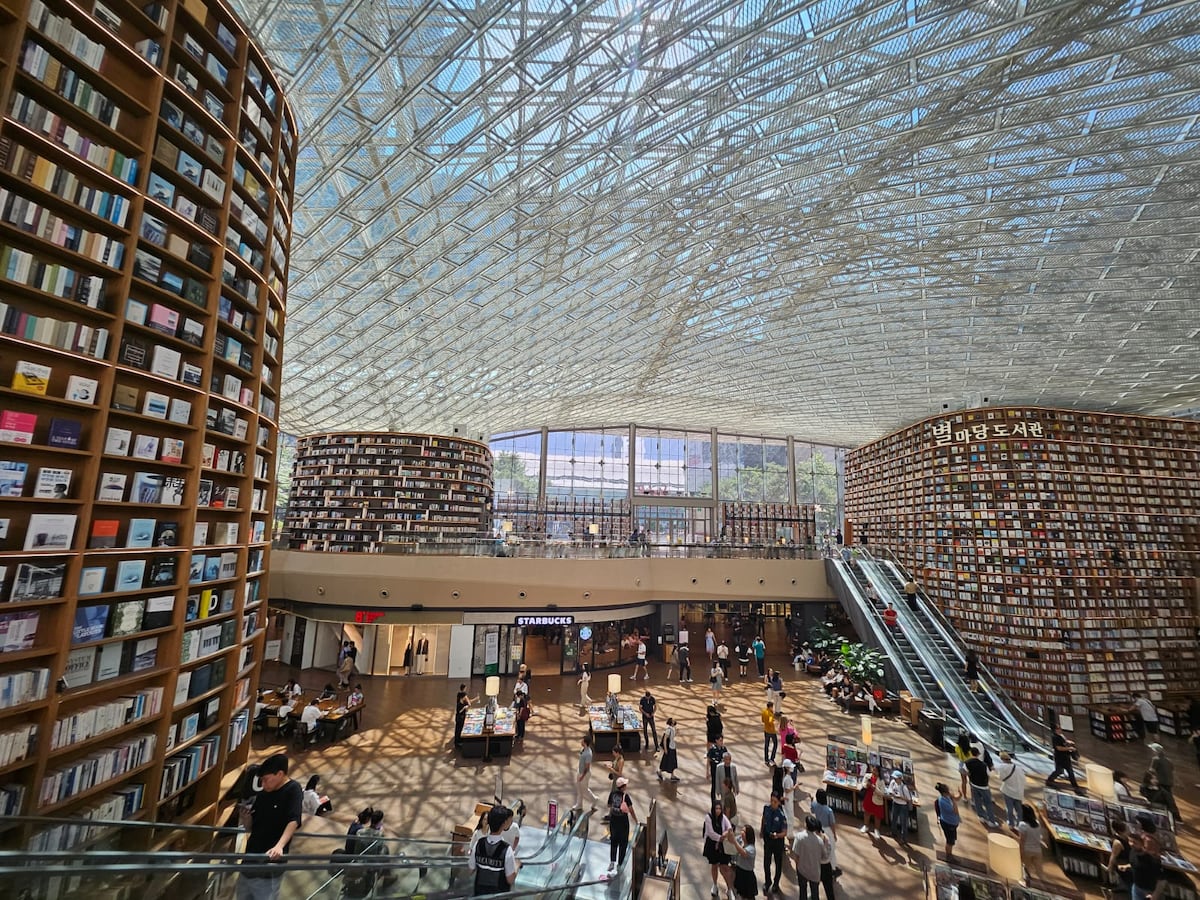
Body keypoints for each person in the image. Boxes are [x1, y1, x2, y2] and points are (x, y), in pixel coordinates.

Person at [237, 753, 302, 900]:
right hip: (249, 861)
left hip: (269, 866)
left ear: (280, 774)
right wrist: (246, 818)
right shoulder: (264, 794)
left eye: (266, 780)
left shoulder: (293, 790)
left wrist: (279, 846)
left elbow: (294, 820)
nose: (263, 784)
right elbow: (253, 827)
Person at [469, 805, 519, 895]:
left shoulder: (479, 844)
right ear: (503, 824)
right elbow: (510, 879)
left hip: (479, 894)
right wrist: (517, 866)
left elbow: (471, 869)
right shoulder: (506, 850)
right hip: (498, 895)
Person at [606, 776, 637, 875]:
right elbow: (631, 810)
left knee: (614, 840)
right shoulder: (625, 796)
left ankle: (612, 861)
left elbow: (609, 805)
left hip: (613, 820)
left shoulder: (612, 794)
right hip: (623, 821)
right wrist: (636, 820)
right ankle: (620, 864)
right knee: (623, 842)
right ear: (623, 787)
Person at [703, 799, 735, 898]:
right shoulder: (708, 818)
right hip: (712, 846)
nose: (718, 810)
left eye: (719, 809)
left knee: (725, 867)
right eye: (716, 808)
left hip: (721, 846)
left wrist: (724, 834)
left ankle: (729, 889)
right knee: (714, 865)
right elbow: (711, 833)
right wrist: (721, 837)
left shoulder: (723, 817)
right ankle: (715, 885)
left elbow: (729, 827)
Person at [961, 747, 998, 828]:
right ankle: (991, 821)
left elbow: (964, 772)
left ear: (971, 753)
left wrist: (970, 775)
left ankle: (981, 816)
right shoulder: (984, 765)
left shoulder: (967, 762)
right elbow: (990, 774)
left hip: (974, 785)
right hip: (984, 786)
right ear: (978, 754)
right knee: (988, 803)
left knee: (977, 801)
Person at [1144, 742, 1181, 820]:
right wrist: (1179, 782)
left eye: (1152, 750)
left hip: (1161, 783)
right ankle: (1176, 817)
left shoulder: (1155, 759)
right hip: (1169, 783)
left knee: (1158, 799)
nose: (1151, 751)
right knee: (1170, 799)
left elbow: (1151, 771)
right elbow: (1173, 772)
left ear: (1155, 751)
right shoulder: (1168, 760)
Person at [791, 815, 824, 900]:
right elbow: (823, 856)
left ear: (806, 825)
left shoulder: (799, 837)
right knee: (815, 893)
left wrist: (798, 867)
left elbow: (796, 855)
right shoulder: (819, 841)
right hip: (815, 872)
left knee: (802, 892)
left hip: (802, 870)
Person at [760, 792, 788, 896]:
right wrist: (761, 830)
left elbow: (785, 832)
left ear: (779, 802)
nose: (772, 803)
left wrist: (777, 835)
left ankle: (776, 883)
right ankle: (768, 882)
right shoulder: (766, 808)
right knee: (766, 861)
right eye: (771, 800)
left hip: (777, 841)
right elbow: (763, 818)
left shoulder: (781, 815)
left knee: (778, 863)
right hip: (768, 838)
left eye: (775, 802)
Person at [810, 789, 839, 876]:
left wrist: (811, 800)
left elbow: (812, 810)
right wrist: (834, 834)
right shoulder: (828, 810)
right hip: (827, 830)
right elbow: (832, 824)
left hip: (818, 829)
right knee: (831, 850)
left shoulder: (815, 804)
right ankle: (833, 868)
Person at [1129, 830, 1163, 900]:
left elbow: (1162, 879)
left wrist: (1155, 895)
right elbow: (1135, 864)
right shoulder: (1133, 851)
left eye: (1135, 842)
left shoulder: (1152, 859)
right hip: (1136, 887)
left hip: (1149, 891)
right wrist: (1126, 866)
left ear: (1142, 844)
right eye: (1130, 841)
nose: (1131, 844)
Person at [1046, 724, 1081, 791]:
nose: (1060, 729)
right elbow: (1059, 748)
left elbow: (1064, 741)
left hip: (1066, 757)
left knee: (1068, 771)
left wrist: (1070, 742)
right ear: (1055, 730)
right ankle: (1050, 780)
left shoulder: (1061, 735)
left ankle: (1075, 785)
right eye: (1058, 728)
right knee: (1059, 771)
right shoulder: (1055, 737)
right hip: (1060, 758)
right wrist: (1069, 748)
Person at [996, 751, 1026, 829]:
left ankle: (1011, 823)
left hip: (1008, 791)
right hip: (1018, 791)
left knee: (1009, 808)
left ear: (1002, 759)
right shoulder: (1018, 768)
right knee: (1019, 809)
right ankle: (1020, 824)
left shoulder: (1002, 767)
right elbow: (1023, 780)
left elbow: (1001, 778)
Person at [729, 824, 758, 899]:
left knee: (748, 896)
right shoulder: (740, 840)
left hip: (747, 876)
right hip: (739, 872)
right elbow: (731, 840)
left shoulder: (751, 848)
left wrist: (735, 842)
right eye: (742, 830)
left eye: (744, 832)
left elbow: (743, 853)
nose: (742, 833)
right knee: (740, 893)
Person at [934, 782, 961, 860]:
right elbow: (955, 811)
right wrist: (954, 802)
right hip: (948, 824)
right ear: (944, 793)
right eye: (948, 791)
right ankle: (948, 855)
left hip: (953, 823)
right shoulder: (942, 801)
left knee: (952, 840)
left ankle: (949, 854)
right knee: (950, 842)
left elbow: (956, 798)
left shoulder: (947, 796)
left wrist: (960, 794)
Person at [1017, 803, 1043, 882]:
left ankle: (1027, 885)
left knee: (1026, 870)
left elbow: (1022, 840)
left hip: (1027, 850)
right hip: (1038, 850)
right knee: (1040, 872)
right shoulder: (1037, 823)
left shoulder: (1023, 825)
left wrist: (1020, 853)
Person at [887, 771, 914, 842]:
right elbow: (890, 790)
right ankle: (893, 832)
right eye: (894, 778)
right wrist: (891, 793)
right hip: (895, 803)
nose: (895, 779)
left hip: (903, 806)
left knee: (903, 822)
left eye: (896, 778)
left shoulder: (904, 787)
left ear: (900, 779)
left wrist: (900, 797)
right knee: (894, 819)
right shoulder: (893, 783)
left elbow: (908, 799)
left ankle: (904, 838)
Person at [1105, 818, 1132, 889]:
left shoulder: (1126, 838)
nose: (1129, 831)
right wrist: (1110, 868)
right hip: (1124, 866)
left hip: (1129, 864)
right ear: (1121, 832)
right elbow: (1113, 856)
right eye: (1127, 830)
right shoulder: (1117, 843)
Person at [860, 765, 886, 838]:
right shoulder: (867, 776)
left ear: (879, 772)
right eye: (873, 770)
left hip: (877, 800)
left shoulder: (881, 781)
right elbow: (863, 784)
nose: (874, 772)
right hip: (868, 797)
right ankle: (866, 826)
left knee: (877, 816)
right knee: (867, 812)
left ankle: (877, 830)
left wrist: (875, 789)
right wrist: (867, 785)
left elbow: (882, 793)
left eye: (876, 771)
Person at [575, 734, 597, 810]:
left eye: (582, 740)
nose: (581, 741)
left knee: (584, 789)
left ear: (585, 742)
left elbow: (587, 767)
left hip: (584, 774)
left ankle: (594, 799)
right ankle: (579, 804)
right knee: (579, 789)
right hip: (580, 771)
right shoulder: (583, 749)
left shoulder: (588, 753)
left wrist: (582, 776)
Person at [658, 717, 679, 781]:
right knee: (667, 760)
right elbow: (665, 739)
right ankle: (660, 772)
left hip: (672, 746)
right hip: (669, 747)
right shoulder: (668, 730)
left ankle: (672, 775)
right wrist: (666, 749)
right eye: (673, 720)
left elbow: (672, 736)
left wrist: (676, 732)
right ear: (671, 722)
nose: (674, 721)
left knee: (671, 761)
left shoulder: (673, 729)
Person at [761, 701, 777, 766]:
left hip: (765, 730)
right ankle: (772, 758)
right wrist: (771, 724)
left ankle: (766, 759)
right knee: (775, 744)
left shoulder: (764, 711)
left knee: (766, 745)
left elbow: (762, 720)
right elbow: (770, 721)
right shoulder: (770, 714)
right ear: (770, 707)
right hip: (772, 731)